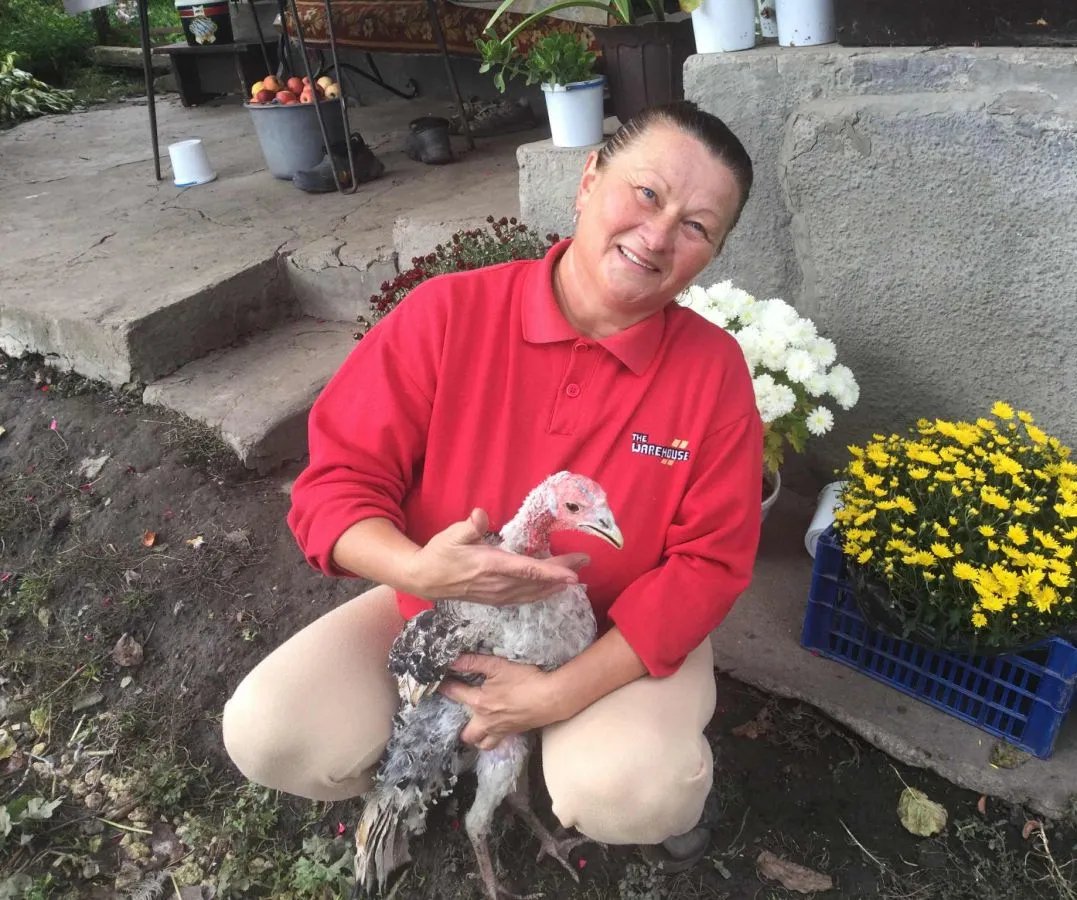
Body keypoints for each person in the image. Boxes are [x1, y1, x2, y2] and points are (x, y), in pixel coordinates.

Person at [222, 100, 763, 873]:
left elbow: (708, 565)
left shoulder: (711, 375)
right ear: (589, 178)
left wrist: (558, 692)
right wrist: (419, 571)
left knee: (634, 789)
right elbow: (337, 483)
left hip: (612, 640)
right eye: (647, 194)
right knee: (272, 731)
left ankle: (573, 753)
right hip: (450, 622)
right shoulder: (449, 315)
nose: (657, 236)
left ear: (711, 254)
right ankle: (443, 752)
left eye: (696, 227)